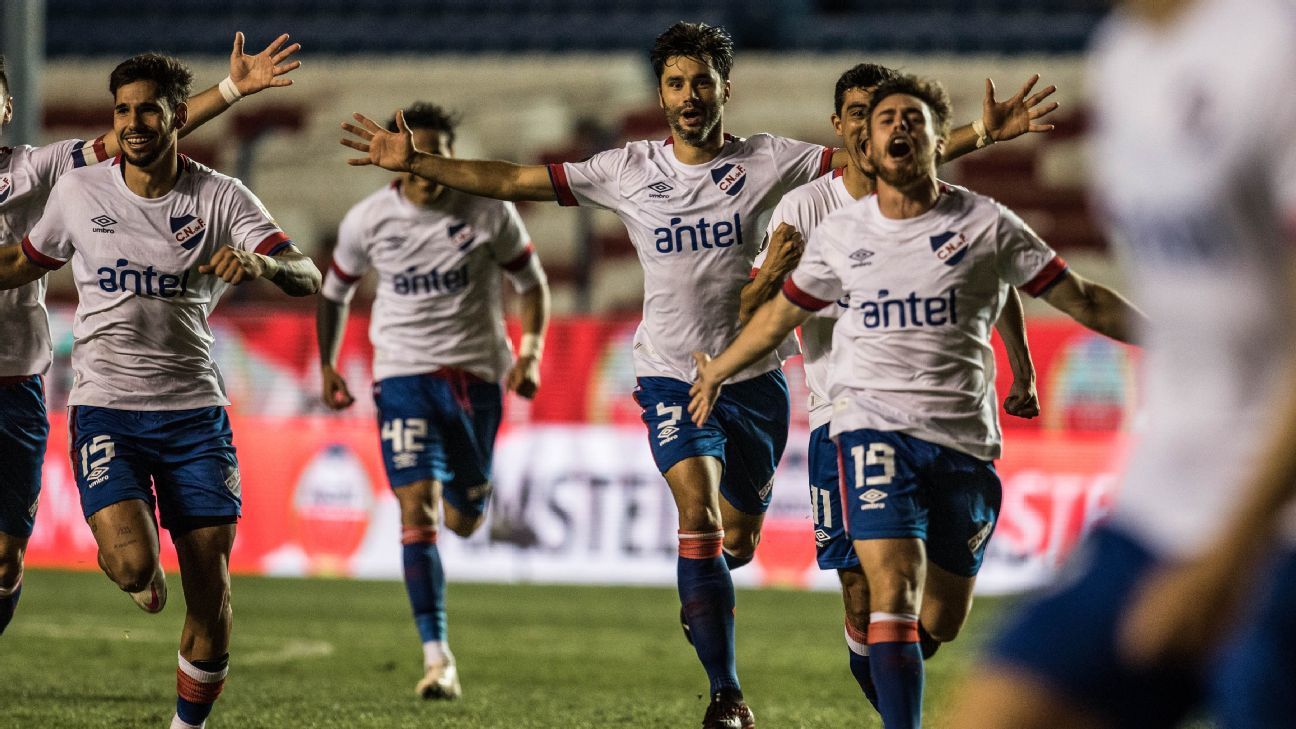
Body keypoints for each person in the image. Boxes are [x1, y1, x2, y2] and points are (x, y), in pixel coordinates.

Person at [339, 21, 1051, 728]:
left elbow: (881, 162)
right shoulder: (627, 170)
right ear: (661, 92)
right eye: (677, 82)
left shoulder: (772, 159)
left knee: (736, 539)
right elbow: (514, 180)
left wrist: (980, 136)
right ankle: (726, 694)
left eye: (702, 81)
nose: (689, 94)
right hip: (671, 375)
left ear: (724, 89)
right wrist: (421, 163)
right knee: (698, 515)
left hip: (757, 378)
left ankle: (712, 597)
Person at [689, 75, 1143, 729]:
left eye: (914, 119)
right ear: (862, 144)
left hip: (962, 440)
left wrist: (1171, 340)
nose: (898, 128)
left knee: (940, 617)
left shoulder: (985, 221)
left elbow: (1079, 297)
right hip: (859, 425)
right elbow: (770, 314)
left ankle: (874, 652)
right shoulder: (835, 227)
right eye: (884, 119)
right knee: (887, 590)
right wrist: (720, 370)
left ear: (938, 139)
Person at [949, 1, 1296, 727]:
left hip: (1272, 517)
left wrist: (1231, 555)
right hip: (1163, 506)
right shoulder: (1124, 54)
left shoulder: (1275, 49)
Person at [0, 53, 320, 729]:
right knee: (129, 563)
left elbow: (308, 274)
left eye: (149, 109)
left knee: (212, 590)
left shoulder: (221, 196)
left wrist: (261, 261)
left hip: (194, 414)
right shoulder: (82, 193)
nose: (135, 123)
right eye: (123, 111)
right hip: (106, 407)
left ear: (178, 113)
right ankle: (141, 575)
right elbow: (20, 262)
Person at [740, 62, 1048, 712]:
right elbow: (753, 308)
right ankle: (897, 705)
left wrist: (1020, 363)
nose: (866, 125)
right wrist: (776, 274)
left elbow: (993, 276)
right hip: (840, 413)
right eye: (857, 113)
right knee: (865, 591)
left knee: (930, 615)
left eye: (876, 114)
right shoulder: (805, 207)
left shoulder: (941, 203)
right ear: (840, 127)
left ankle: (902, 657)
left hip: (937, 418)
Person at [317, 102, 550, 701]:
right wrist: (328, 363)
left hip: (477, 376)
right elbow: (335, 292)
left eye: (438, 149)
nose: (427, 161)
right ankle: (437, 656)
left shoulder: (489, 210)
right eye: (415, 148)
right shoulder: (368, 220)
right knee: (416, 509)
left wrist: (530, 354)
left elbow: (531, 283)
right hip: (402, 375)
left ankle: (474, 491)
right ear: (395, 155)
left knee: (465, 519)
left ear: (450, 152)